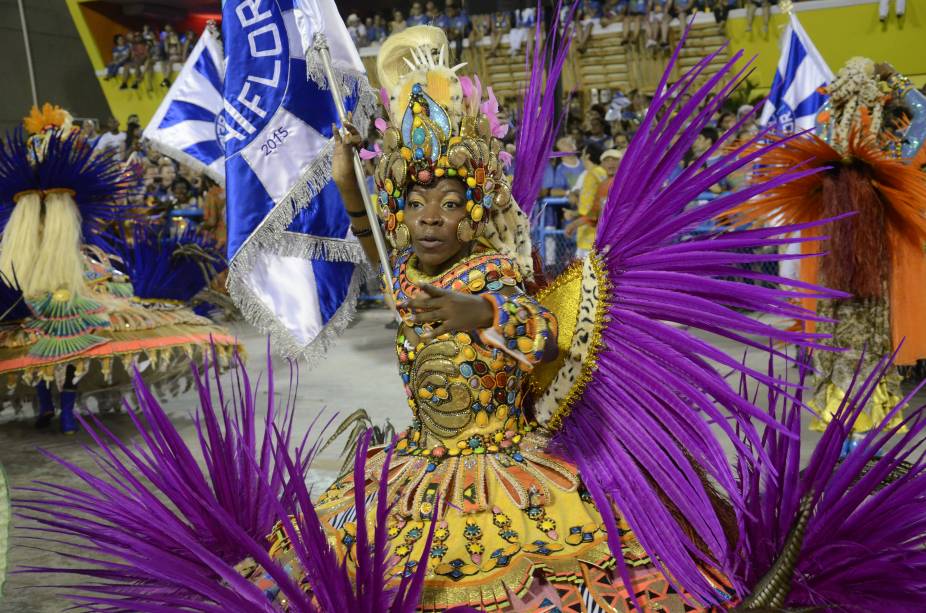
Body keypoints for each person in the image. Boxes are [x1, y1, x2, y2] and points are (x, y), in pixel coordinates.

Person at [20, 25, 926, 613]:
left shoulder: (491, 267)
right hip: (415, 464)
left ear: (478, 208)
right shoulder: (409, 261)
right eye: (412, 202)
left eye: (444, 204)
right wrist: (346, 175)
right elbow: (373, 242)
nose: (423, 218)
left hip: (502, 471)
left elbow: (540, 338)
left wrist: (481, 307)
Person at [0, 104, 240, 431]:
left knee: (64, 347)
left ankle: (60, 411)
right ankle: (51, 409)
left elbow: (91, 224)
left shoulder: (57, 213)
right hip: (41, 281)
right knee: (40, 345)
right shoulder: (31, 216)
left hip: (70, 277)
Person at [731, 58, 926, 454]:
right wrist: (897, 79)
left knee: (835, 347)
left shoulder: (826, 143)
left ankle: (843, 435)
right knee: (870, 346)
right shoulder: (889, 155)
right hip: (875, 270)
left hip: (831, 268)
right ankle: (862, 437)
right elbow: (921, 113)